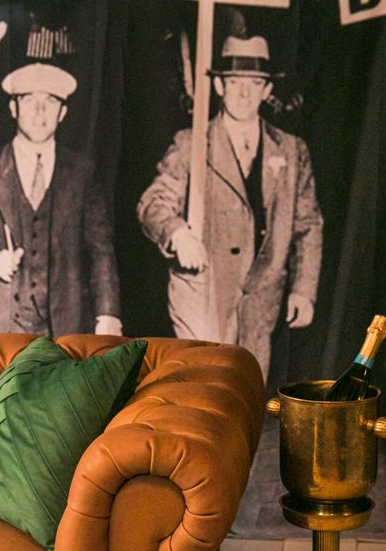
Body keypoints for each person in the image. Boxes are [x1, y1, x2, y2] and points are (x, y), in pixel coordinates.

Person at [137, 35, 323, 378]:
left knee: (243, 400)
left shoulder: (292, 151)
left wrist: (303, 290)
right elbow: (153, 202)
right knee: (203, 393)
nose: (243, 93)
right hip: (202, 294)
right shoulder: (192, 143)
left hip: (260, 303)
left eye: (254, 84)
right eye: (235, 82)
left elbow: (307, 224)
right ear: (220, 86)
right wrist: (178, 233)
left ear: (267, 90)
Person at [0, 62, 121, 337]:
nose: (40, 113)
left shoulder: (81, 173)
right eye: (29, 101)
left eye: (50, 102)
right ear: (13, 109)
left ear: (62, 113)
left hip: (63, 324)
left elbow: (100, 250)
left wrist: (108, 315)